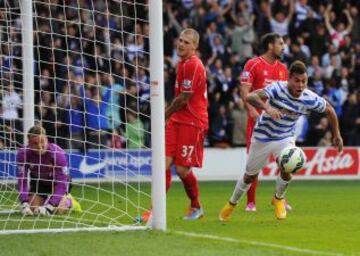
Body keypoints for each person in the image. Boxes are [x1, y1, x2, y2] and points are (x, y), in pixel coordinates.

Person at [219, 61, 343, 221]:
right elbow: (250, 96)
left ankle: (278, 198)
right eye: (297, 81)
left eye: (304, 81)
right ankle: (232, 204)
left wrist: (337, 135)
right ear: (289, 79)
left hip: (285, 137)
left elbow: (330, 110)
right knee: (249, 176)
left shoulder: (309, 98)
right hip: (262, 136)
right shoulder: (277, 88)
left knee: (288, 165)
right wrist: (267, 108)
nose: (300, 85)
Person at [141, 28, 208, 222]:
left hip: (193, 122)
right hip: (177, 120)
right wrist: (170, 117)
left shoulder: (194, 65)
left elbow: (184, 98)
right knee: (163, 164)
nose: (181, 44)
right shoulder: (182, 63)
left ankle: (196, 206)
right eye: (180, 40)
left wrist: (163, 115)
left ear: (194, 46)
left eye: (186, 42)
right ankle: (153, 212)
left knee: (181, 170)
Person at [240, 32, 290, 212]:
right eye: (281, 43)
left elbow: (285, 96)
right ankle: (251, 202)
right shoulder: (253, 64)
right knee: (254, 165)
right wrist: (253, 111)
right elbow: (245, 91)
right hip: (257, 123)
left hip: (277, 123)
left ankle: (280, 198)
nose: (283, 47)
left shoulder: (283, 69)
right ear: (270, 45)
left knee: (286, 161)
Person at [16, 125, 82, 216]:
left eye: (42, 141)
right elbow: (22, 180)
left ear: (47, 139)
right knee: (33, 209)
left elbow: (62, 183)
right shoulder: (23, 154)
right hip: (39, 182)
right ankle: (46, 201)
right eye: (35, 143)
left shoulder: (57, 154)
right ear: (29, 143)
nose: (39, 146)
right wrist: (24, 203)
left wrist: (50, 207)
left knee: (58, 210)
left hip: (58, 183)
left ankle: (70, 202)